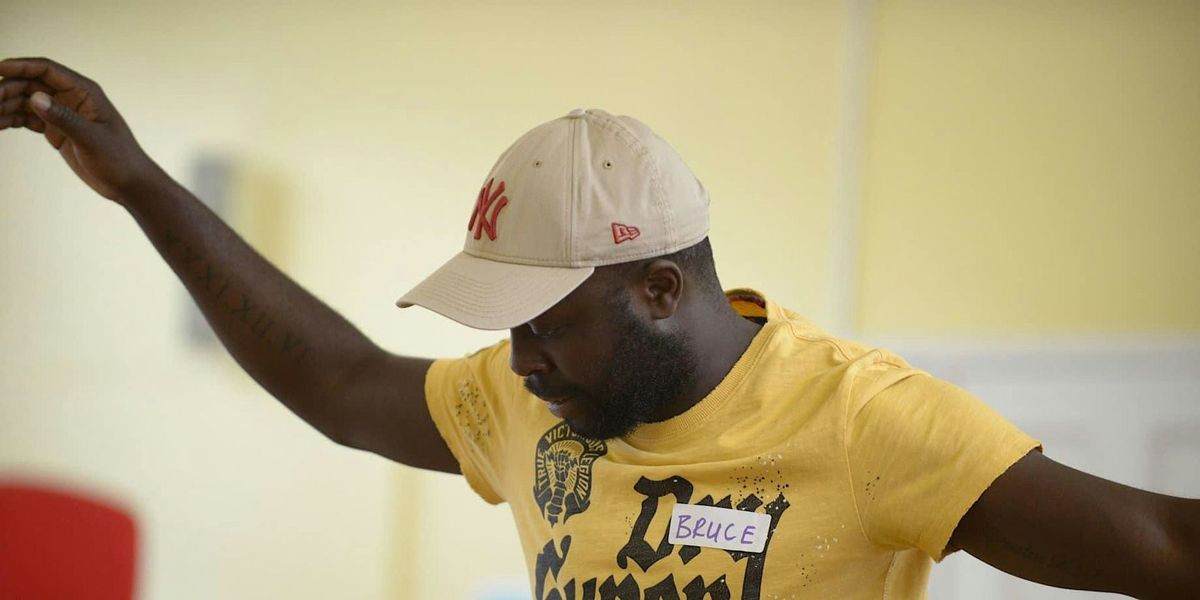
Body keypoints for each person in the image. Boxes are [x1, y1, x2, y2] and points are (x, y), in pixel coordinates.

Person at [1, 57, 1196, 600]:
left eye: (542, 326)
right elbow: (341, 380)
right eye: (503, 328)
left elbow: (1161, 547)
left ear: (659, 289)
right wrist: (143, 183)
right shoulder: (535, 400)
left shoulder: (866, 420)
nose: (517, 362)